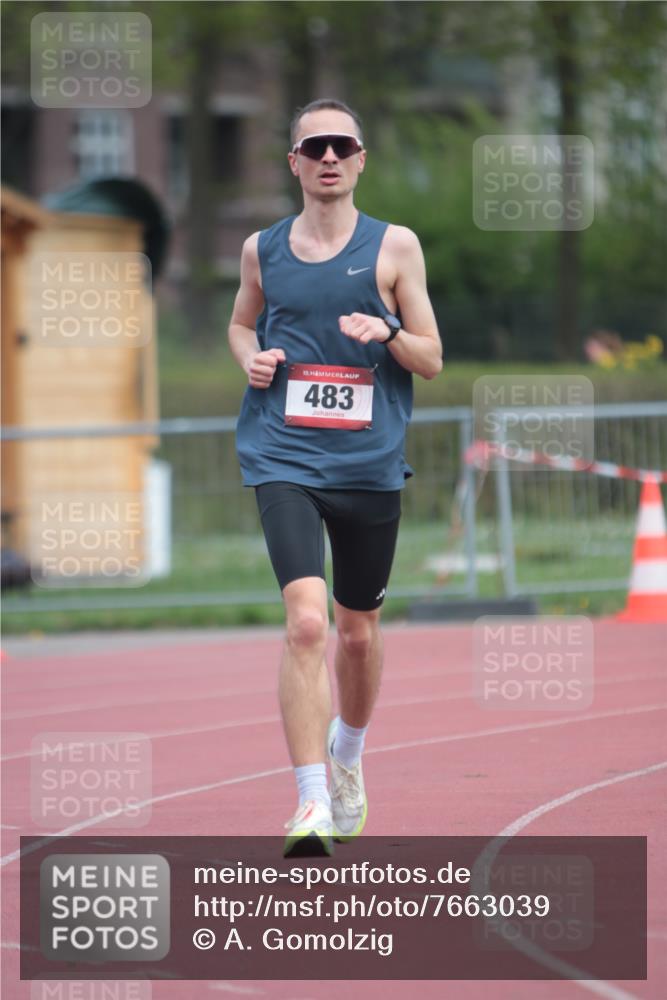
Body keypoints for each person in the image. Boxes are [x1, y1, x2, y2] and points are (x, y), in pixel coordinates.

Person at [228, 98, 442, 857]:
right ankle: (311, 801)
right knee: (306, 623)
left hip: (367, 461)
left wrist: (384, 332)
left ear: (358, 159)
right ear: (293, 162)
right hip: (282, 453)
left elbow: (430, 357)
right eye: (312, 146)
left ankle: (347, 753)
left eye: (340, 145)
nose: (327, 156)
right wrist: (248, 356)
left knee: (355, 634)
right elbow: (240, 321)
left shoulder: (395, 248)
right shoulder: (262, 249)